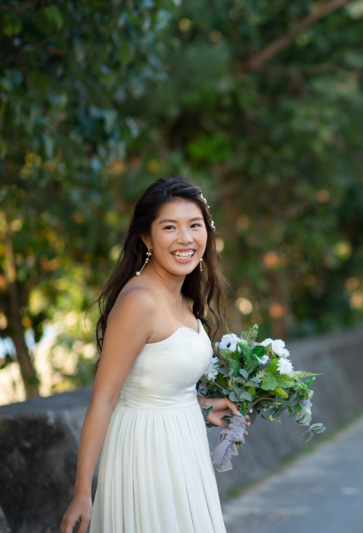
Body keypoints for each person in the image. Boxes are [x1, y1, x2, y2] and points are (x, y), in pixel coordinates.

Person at [61, 177, 247, 533]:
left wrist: (206, 408)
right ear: (146, 238)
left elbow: (160, 386)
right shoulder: (139, 301)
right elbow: (104, 399)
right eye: (169, 227)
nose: (185, 239)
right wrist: (83, 492)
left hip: (184, 449)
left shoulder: (182, 298)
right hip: (146, 457)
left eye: (195, 225)